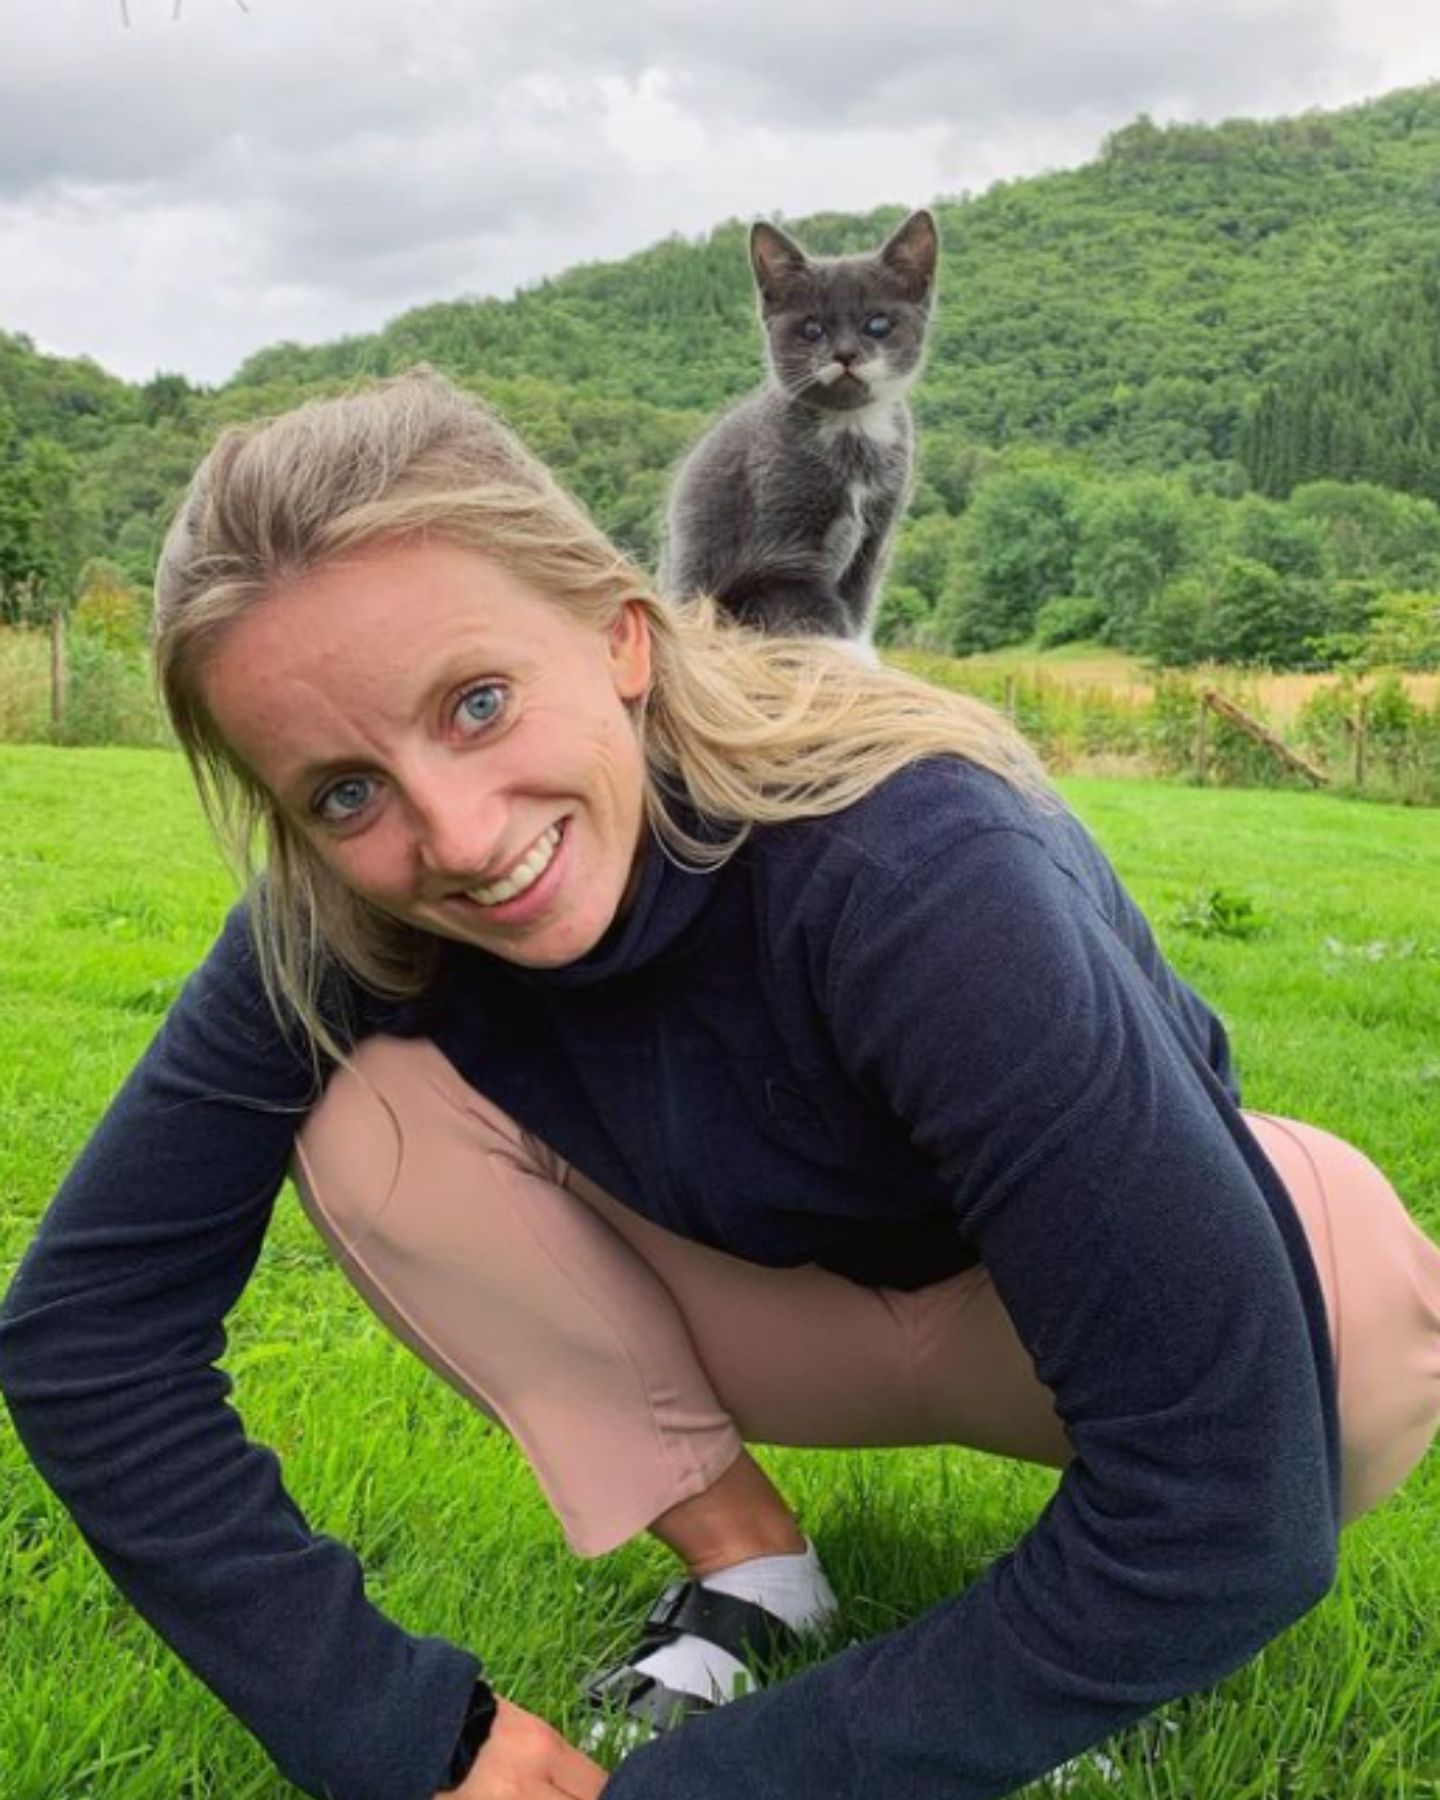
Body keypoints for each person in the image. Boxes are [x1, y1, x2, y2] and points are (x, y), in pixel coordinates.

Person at [2, 369, 1438, 1800]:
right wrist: (402, 1739)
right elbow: (86, 1335)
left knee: (1318, 1383)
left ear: (621, 638)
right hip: (799, 1300)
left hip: (1216, 1300)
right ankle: (749, 1568)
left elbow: (1226, 1510)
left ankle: (1103, 1656)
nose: (454, 832)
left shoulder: (911, 863)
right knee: (361, 1102)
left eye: (480, 702)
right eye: (344, 793)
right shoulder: (342, 915)